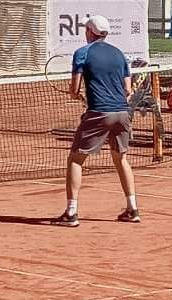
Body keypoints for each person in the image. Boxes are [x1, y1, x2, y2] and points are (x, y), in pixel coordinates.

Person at [57, 13, 140, 226]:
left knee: (75, 159)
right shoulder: (119, 54)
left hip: (99, 113)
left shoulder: (82, 53)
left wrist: (76, 95)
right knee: (121, 159)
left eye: (86, 29)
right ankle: (132, 209)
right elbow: (127, 90)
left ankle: (71, 213)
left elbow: (74, 89)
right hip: (122, 113)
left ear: (89, 32)